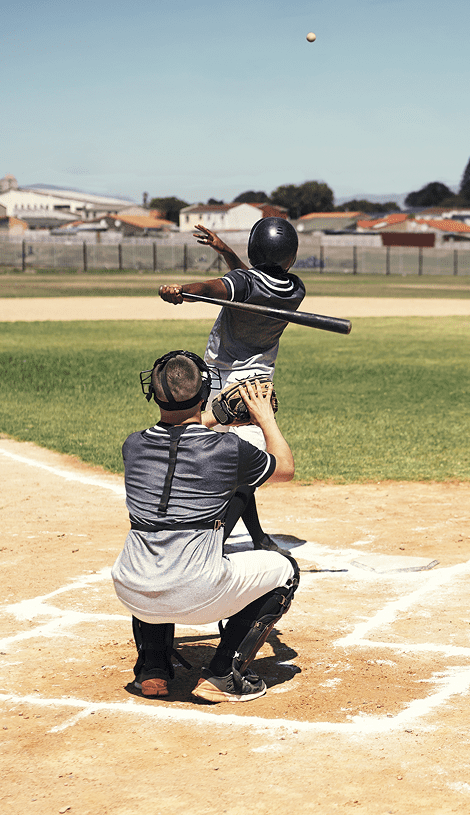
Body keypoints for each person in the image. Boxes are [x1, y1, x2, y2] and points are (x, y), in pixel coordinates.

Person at [111, 350, 300, 703]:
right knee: (286, 570)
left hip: (133, 590)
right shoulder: (228, 449)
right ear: (205, 391)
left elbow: (179, 437)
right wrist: (264, 418)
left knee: (158, 553)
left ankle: (153, 670)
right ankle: (222, 674)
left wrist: (211, 416)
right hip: (196, 594)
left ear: (150, 392)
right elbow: (285, 468)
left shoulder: (133, 445)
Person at [158, 217, 305, 552]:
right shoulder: (295, 289)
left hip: (223, 384)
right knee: (243, 465)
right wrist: (224, 251)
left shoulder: (245, 283)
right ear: (291, 257)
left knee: (238, 469)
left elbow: (216, 288)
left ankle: (216, 541)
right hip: (259, 386)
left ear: (254, 250)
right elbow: (249, 281)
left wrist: (184, 292)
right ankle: (258, 538)